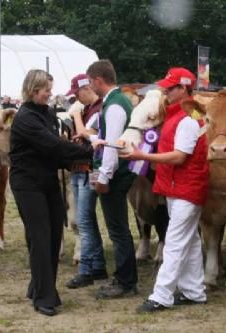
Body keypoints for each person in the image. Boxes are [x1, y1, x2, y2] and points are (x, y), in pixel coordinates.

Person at [120, 67, 209, 313]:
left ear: (183, 89)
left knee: (174, 242)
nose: (165, 92)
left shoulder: (188, 119)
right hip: (178, 187)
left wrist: (142, 155)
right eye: (166, 88)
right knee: (189, 241)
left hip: (185, 187)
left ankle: (161, 295)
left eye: (170, 88)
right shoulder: (178, 115)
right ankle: (194, 291)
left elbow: (180, 157)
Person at [9, 69, 94, 316]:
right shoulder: (25, 117)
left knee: (54, 233)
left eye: (49, 88)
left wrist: (73, 155)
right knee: (41, 237)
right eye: (46, 89)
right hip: (27, 184)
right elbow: (52, 145)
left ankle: (37, 287)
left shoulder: (46, 113)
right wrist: (90, 151)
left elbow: (54, 149)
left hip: (47, 180)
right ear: (33, 90)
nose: (50, 93)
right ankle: (45, 297)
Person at [86, 60, 137, 299]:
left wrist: (104, 176)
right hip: (114, 173)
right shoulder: (115, 102)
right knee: (118, 228)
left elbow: (113, 145)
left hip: (115, 175)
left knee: (118, 229)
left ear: (98, 80)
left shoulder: (115, 106)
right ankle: (124, 278)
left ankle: (125, 281)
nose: (90, 86)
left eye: (90, 82)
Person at [64, 74, 108, 289]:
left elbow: (85, 135)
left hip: (89, 169)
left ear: (85, 89)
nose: (76, 99)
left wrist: (76, 116)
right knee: (86, 219)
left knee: (84, 221)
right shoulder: (89, 109)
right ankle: (98, 265)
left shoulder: (99, 109)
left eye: (77, 94)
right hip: (79, 168)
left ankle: (86, 269)